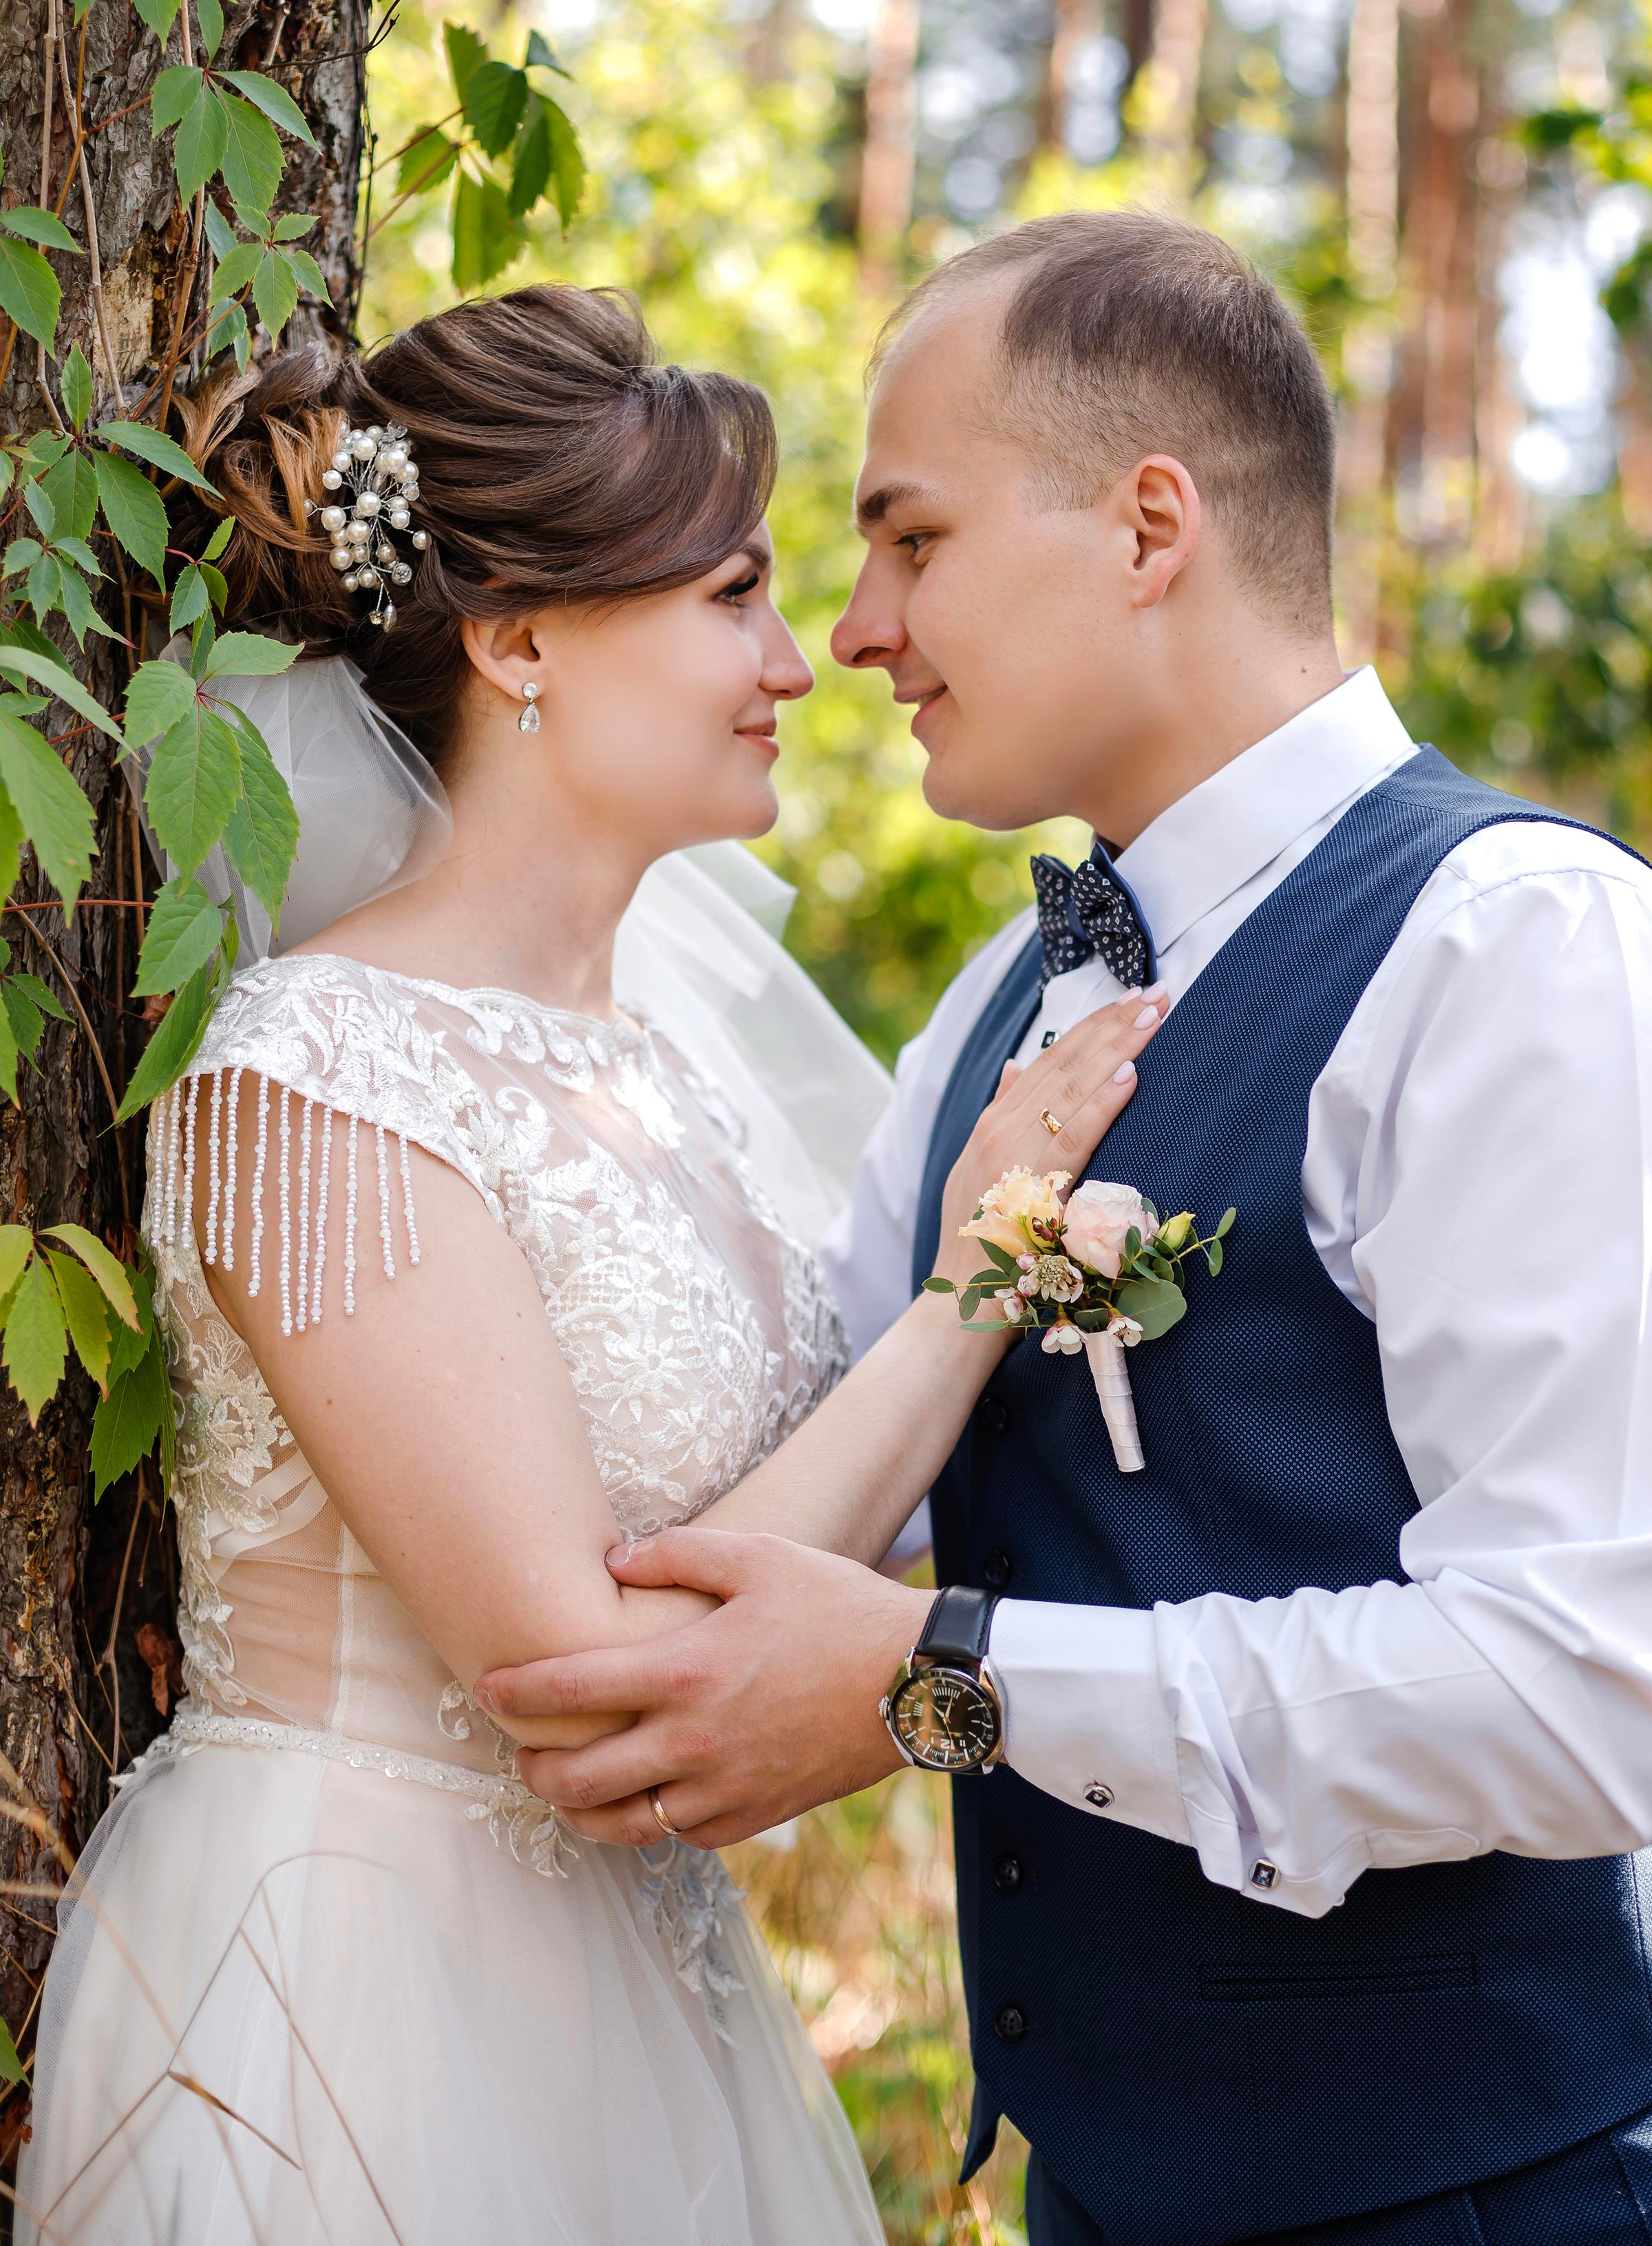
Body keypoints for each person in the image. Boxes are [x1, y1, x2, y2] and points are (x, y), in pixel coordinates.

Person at [483, 213, 1652, 2245]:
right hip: (1107, 2192)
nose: (862, 628)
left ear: (1150, 526)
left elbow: (1593, 1690)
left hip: (1528, 2191)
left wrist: (947, 1683)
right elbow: (832, 1484)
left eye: (912, 539)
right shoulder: (1001, 1012)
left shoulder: (1526, 956)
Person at [16, 283, 1170, 2244]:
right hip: (350, 2002)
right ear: (523, 638)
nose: (801, 664)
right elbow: (588, 1682)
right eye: (734, 596)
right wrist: (987, 1282)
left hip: (647, 1995)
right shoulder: (315, 1073)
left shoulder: (675, 1078)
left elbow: (806, 1552)